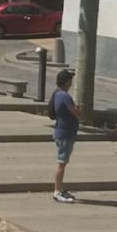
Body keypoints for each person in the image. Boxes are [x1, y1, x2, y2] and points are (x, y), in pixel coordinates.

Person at [50, 68, 80, 203]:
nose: (71, 83)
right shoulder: (64, 96)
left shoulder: (58, 94)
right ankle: (57, 191)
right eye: (70, 80)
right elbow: (76, 113)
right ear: (66, 82)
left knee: (63, 162)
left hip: (63, 132)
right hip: (64, 134)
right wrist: (79, 109)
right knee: (61, 163)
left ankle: (60, 188)